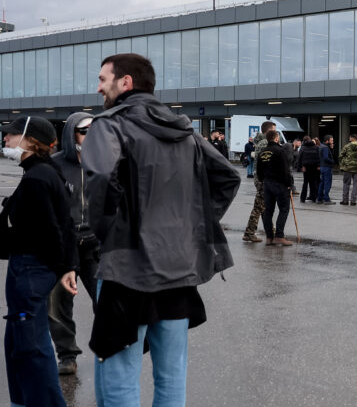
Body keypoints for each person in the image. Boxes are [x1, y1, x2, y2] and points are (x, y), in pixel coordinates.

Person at [82, 53, 240, 405]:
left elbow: (101, 180)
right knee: (171, 376)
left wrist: (109, 233)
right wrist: (190, 226)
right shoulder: (184, 130)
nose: (98, 88)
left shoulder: (109, 125)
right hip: (179, 270)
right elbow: (227, 177)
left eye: (103, 79)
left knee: (118, 374)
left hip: (127, 270)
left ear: (125, 82)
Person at [1, 115, 77, 407]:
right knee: (19, 342)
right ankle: (22, 401)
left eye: (11, 134)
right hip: (31, 270)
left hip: (30, 272)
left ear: (30, 140)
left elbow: (52, 230)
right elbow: (63, 224)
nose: (6, 138)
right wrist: (67, 266)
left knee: (30, 346)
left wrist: (63, 266)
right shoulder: (45, 171)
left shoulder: (38, 177)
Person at [46, 112, 98, 376]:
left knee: (106, 299)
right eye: (84, 131)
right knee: (57, 304)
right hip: (63, 247)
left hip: (95, 245)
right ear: (71, 134)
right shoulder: (54, 165)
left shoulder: (104, 163)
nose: (91, 136)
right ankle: (67, 355)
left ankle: (107, 349)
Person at [258, 130, 295, 246]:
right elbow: (285, 169)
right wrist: (289, 184)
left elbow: (259, 170)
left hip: (267, 183)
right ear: (276, 138)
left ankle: (269, 237)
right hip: (280, 184)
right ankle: (279, 236)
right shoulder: (280, 151)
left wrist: (263, 180)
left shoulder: (262, 152)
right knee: (284, 209)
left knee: (268, 211)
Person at [242, 120, 274, 242]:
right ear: (269, 130)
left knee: (264, 206)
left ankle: (270, 231)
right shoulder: (265, 143)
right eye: (274, 130)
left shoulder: (260, 142)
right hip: (262, 178)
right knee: (259, 206)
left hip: (260, 177)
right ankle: (249, 232)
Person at [339, 133, 357, 205]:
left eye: (350, 137)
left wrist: (343, 165)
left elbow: (341, 156)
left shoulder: (346, 146)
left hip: (347, 168)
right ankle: (353, 201)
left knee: (346, 184)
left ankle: (345, 200)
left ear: (352, 138)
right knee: (356, 184)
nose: (349, 138)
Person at [297, 135, 321, 204]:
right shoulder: (316, 147)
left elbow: (299, 157)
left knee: (305, 183)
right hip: (314, 166)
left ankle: (303, 198)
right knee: (313, 182)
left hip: (306, 167)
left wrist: (301, 166)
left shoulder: (303, 148)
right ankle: (314, 197)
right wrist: (318, 165)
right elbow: (319, 157)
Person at [318, 135, 336, 203]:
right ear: (327, 141)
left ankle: (319, 198)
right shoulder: (325, 148)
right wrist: (332, 162)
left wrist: (331, 149)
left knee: (322, 183)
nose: (332, 142)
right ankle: (326, 198)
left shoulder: (321, 146)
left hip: (322, 166)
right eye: (331, 140)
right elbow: (326, 157)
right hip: (327, 167)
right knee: (327, 183)